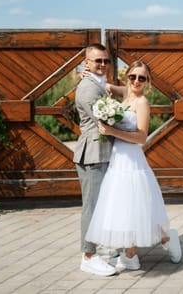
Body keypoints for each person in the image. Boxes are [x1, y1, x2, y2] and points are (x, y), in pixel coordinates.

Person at [85, 60, 182, 271]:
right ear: (127, 76)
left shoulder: (142, 102)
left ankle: (166, 239)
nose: (136, 81)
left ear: (147, 82)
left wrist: (112, 132)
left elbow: (141, 137)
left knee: (138, 207)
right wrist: (89, 72)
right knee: (124, 207)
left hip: (132, 160)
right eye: (133, 76)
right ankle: (130, 254)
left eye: (142, 78)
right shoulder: (125, 93)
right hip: (117, 159)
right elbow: (105, 86)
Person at [73, 43, 116, 276]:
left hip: (101, 151)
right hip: (93, 152)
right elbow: (108, 121)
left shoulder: (96, 83)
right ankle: (88, 256)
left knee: (102, 204)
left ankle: (103, 246)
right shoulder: (89, 89)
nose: (102, 64)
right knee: (92, 206)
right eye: (97, 60)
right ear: (86, 63)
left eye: (105, 61)